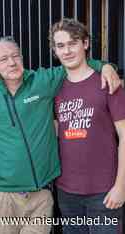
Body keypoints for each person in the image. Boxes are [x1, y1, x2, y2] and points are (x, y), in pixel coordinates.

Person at [0, 36, 121, 234]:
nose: (12, 62)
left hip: (41, 193)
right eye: (4, 59)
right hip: (5, 195)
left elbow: (74, 65)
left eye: (15, 56)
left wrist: (105, 66)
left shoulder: (42, 82)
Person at [50, 18, 125, 234]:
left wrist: (121, 186)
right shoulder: (54, 87)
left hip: (105, 192)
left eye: (73, 43)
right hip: (66, 191)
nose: (67, 51)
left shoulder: (108, 83)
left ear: (85, 44)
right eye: (61, 46)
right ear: (55, 50)